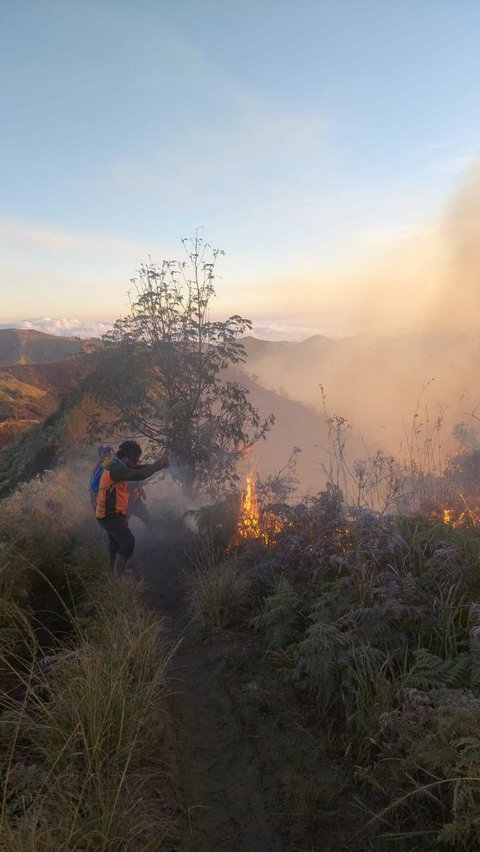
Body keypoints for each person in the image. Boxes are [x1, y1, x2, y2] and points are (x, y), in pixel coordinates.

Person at [95, 440, 169, 576]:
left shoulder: (116, 464)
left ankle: (113, 575)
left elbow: (137, 468)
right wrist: (158, 464)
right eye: (134, 459)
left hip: (111, 514)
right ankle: (116, 577)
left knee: (115, 545)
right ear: (125, 457)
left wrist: (158, 466)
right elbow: (138, 474)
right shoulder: (116, 469)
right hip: (110, 515)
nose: (136, 462)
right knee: (128, 542)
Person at [89, 443, 114, 510]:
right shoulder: (100, 467)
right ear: (101, 455)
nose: (107, 454)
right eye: (105, 453)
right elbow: (93, 486)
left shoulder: (115, 462)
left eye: (108, 451)